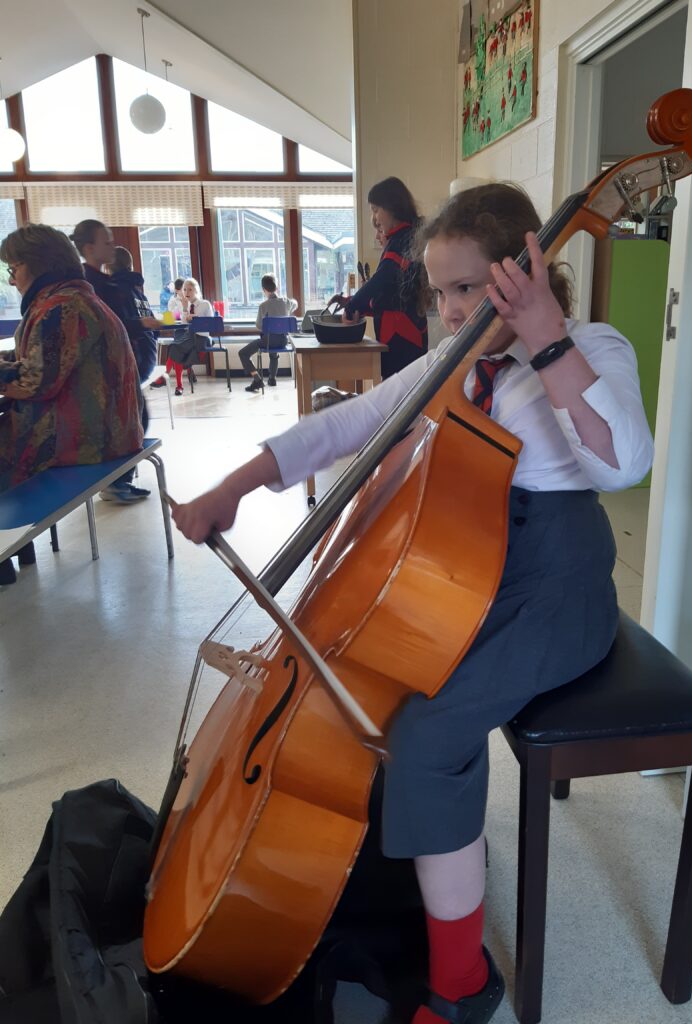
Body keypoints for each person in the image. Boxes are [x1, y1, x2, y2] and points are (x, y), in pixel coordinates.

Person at [169, 184, 654, 1024]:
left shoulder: (593, 348)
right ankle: (416, 864)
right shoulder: (456, 364)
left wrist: (544, 338)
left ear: (527, 271)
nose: (450, 310)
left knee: (427, 732)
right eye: (439, 294)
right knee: (368, 690)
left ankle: (464, 985)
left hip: (554, 586)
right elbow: (349, 424)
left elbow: (625, 464)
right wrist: (238, 484)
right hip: (462, 577)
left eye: (467, 288)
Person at [0, 225, 144, 582]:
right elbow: (38, 361)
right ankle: (15, 552)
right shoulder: (74, 298)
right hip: (106, 429)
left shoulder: (61, 307)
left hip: (87, 438)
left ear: (36, 265)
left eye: (13, 269)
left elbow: (35, 380)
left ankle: (6, 556)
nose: (12, 280)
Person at [71, 219, 156, 501]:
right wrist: (142, 324)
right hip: (108, 365)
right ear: (89, 247)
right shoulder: (88, 285)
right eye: (106, 241)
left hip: (123, 359)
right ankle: (115, 482)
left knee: (137, 416)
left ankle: (119, 480)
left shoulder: (104, 282)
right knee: (132, 418)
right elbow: (109, 326)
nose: (112, 246)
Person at [333, 176, 428, 379]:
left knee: (401, 393)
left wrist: (353, 306)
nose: (374, 219)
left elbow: (382, 279)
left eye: (376, 210)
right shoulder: (404, 238)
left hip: (402, 334)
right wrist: (353, 302)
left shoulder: (403, 240)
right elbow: (387, 292)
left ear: (392, 207)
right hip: (401, 331)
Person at [106, 246, 161, 384]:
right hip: (149, 355)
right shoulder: (140, 294)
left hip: (133, 360)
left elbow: (116, 329)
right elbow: (155, 328)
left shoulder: (113, 292)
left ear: (107, 267)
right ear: (130, 265)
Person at [150, 278, 213, 396]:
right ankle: (173, 381)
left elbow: (210, 323)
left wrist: (195, 318)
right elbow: (183, 321)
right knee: (175, 347)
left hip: (201, 337)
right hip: (188, 335)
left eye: (190, 289)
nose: (187, 292)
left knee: (176, 347)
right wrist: (184, 308)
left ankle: (165, 378)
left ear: (196, 290)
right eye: (185, 290)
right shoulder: (185, 304)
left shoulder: (205, 304)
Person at [239, 274, 297, 391]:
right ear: (277, 288)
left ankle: (257, 379)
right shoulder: (286, 302)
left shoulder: (263, 306)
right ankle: (272, 378)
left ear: (264, 290)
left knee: (243, 353)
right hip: (283, 341)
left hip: (268, 341)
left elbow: (259, 325)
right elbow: (295, 304)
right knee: (273, 348)